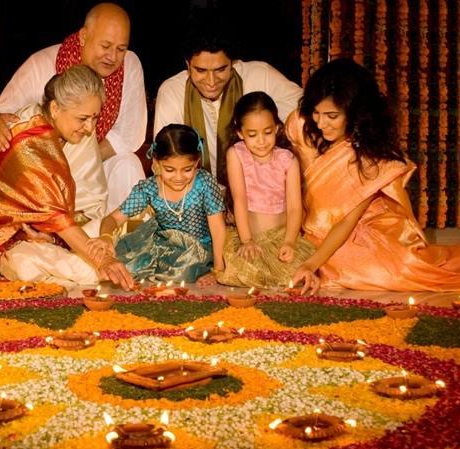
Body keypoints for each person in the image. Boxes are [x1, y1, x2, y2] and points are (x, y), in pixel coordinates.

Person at [286, 58, 460, 294]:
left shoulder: (370, 154)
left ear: (355, 113)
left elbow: (346, 222)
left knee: (392, 272)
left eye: (332, 116)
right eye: (317, 113)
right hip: (310, 229)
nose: (321, 123)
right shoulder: (301, 125)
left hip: (356, 230)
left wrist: (311, 263)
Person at [0, 65, 133, 289]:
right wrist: (103, 260)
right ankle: (88, 270)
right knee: (24, 265)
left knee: (106, 228)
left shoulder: (69, 131)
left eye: (95, 118)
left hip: (57, 234)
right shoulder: (28, 144)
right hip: (13, 240)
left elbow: (87, 206)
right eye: (83, 118)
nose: (89, 127)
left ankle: (76, 270)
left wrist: (60, 239)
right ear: (55, 108)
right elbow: (58, 219)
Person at [0, 2, 146, 212]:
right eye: (105, 46)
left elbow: (128, 135)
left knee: (128, 165)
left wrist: (85, 163)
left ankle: (130, 230)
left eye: (121, 49)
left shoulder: (129, 65)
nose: (113, 57)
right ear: (83, 36)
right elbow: (1, 116)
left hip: (98, 162)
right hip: (43, 173)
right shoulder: (41, 65)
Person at [153, 26, 302, 190]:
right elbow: (164, 158)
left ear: (233, 63)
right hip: (192, 195)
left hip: (259, 192)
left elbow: (305, 114)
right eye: (201, 70)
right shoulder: (172, 92)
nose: (211, 81)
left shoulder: (261, 76)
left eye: (220, 69)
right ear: (188, 65)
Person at [90, 124, 227, 284]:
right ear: (156, 162)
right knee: (124, 266)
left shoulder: (204, 183)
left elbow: (217, 229)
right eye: (169, 170)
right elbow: (113, 219)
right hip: (163, 245)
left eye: (187, 169)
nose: (179, 177)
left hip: (200, 248)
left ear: (197, 161)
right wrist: (106, 237)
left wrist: (218, 270)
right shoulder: (149, 189)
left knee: (181, 274)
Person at [216, 92, 314, 288]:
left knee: (294, 275)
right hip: (249, 237)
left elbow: (295, 207)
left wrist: (289, 242)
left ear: (277, 128)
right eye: (252, 135)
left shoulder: (288, 160)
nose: (261, 141)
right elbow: (239, 199)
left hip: (282, 237)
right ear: (240, 132)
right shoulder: (236, 154)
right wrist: (247, 240)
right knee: (243, 273)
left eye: (267, 132)